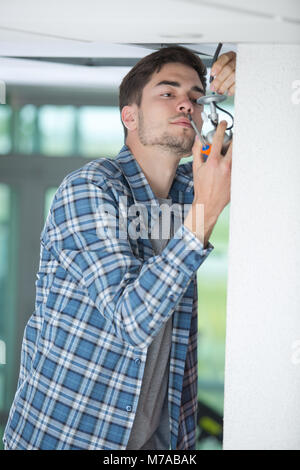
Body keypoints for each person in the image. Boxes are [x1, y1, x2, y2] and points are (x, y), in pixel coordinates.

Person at [3, 45, 236, 450]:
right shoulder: (91, 189)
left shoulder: (191, 188)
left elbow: (280, 155)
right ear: (130, 116)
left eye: (197, 97)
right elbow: (131, 320)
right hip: (65, 439)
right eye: (168, 92)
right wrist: (204, 214)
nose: (186, 103)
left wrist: (256, 76)